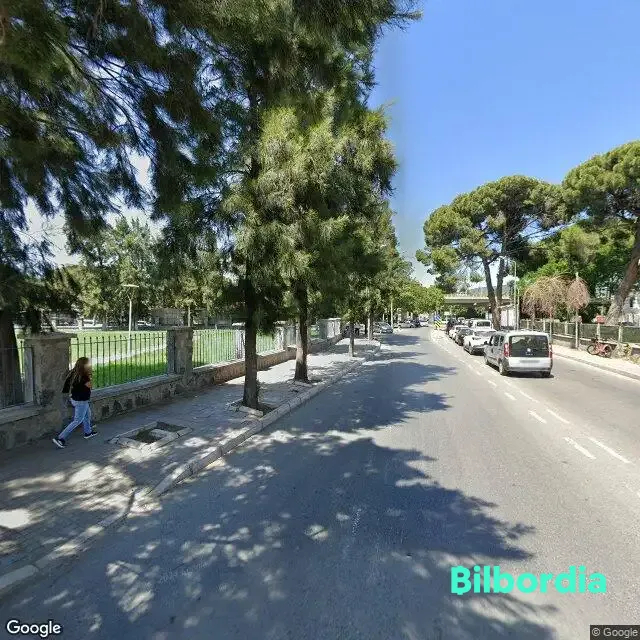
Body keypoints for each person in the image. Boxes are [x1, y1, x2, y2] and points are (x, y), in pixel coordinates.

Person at [52, 357, 98, 448]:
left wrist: (69, 394)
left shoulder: (73, 373)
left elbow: (66, 386)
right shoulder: (84, 376)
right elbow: (90, 386)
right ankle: (60, 438)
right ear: (85, 366)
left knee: (87, 415)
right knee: (78, 420)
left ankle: (88, 432)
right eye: (89, 364)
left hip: (75, 399)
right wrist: (90, 376)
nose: (90, 365)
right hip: (81, 401)